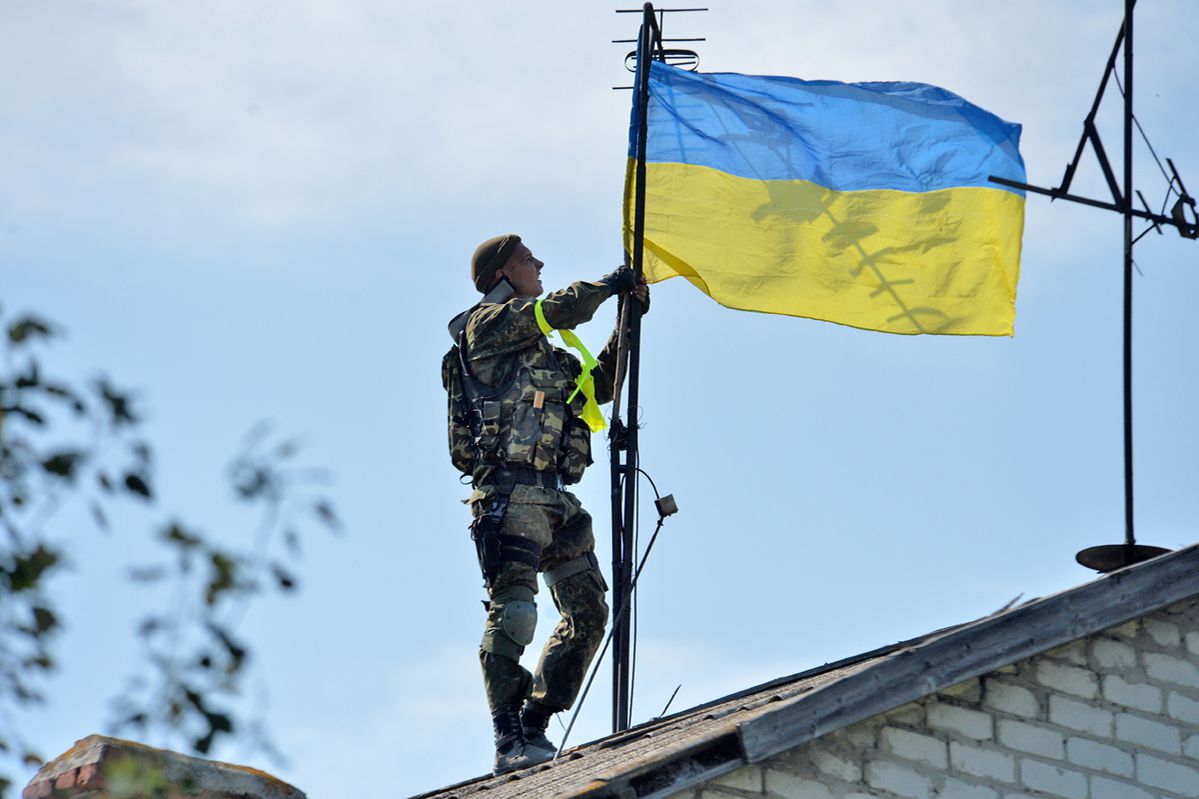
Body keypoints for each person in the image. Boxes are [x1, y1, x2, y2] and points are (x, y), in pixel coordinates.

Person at [442, 233, 647, 775]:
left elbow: (598, 385)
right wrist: (609, 284)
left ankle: (536, 721)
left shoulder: (546, 357)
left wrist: (627, 319)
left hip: (557, 501)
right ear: (502, 274)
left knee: (589, 613)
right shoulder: (485, 328)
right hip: (510, 495)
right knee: (515, 611)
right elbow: (557, 309)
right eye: (527, 259)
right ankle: (508, 738)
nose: (539, 264)